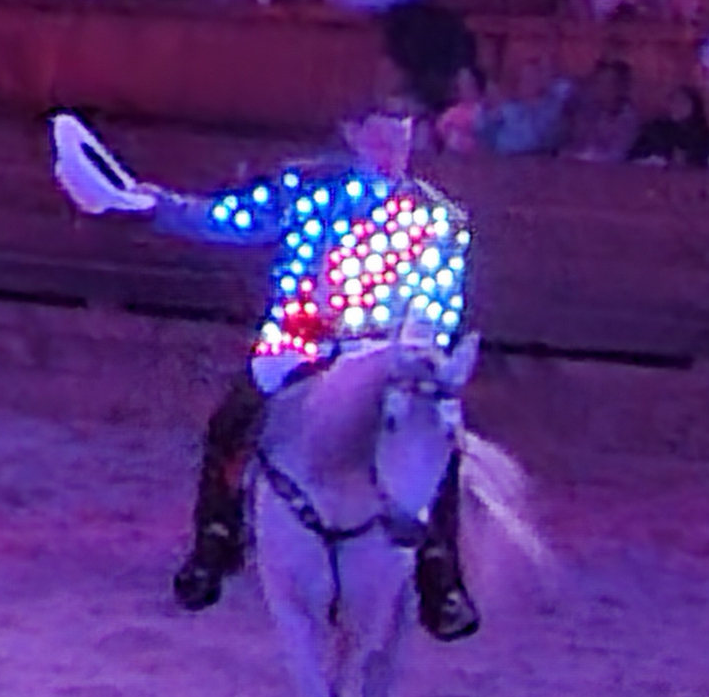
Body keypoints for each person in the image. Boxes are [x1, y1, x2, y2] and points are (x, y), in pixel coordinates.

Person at [49, 112, 482, 642]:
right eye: (377, 133)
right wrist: (154, 203)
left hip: (382, 356)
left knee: (434, 439)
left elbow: (438, 308)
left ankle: (440, 573)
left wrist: (408, 354)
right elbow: (225, 217)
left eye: (400, 132)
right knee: (231, 423)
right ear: (352, 134)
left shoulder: (437, 217)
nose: (390, 146)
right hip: (298, 345)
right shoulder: (308, 188)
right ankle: (216, 539)